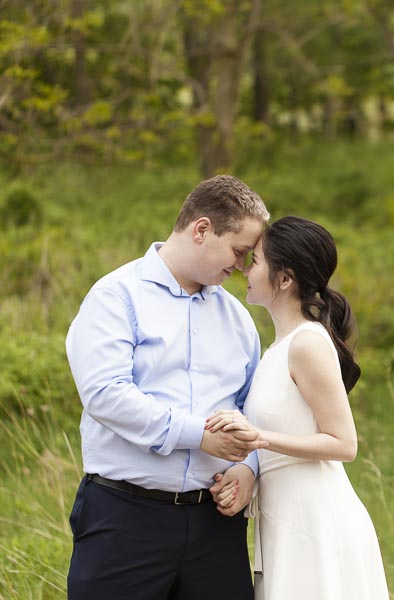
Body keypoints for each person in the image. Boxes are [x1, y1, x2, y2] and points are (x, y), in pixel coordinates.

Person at [65, 175, 271, 600]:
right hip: (125, 518)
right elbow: (106, 394)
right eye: (238, 251)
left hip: (216, 524)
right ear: (201, 230)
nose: (240, 266)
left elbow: (256, 406)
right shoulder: (115, 297)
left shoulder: (237, 318)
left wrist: (248, 470)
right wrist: (200, 435)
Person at [206, 216, 390, 599]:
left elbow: (344, 444)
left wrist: (261, 438)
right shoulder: (275, 349)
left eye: (254, 261)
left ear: (285, 278)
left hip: (316, 520)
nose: (244, 268)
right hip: (282, 518)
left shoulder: (307, 343)